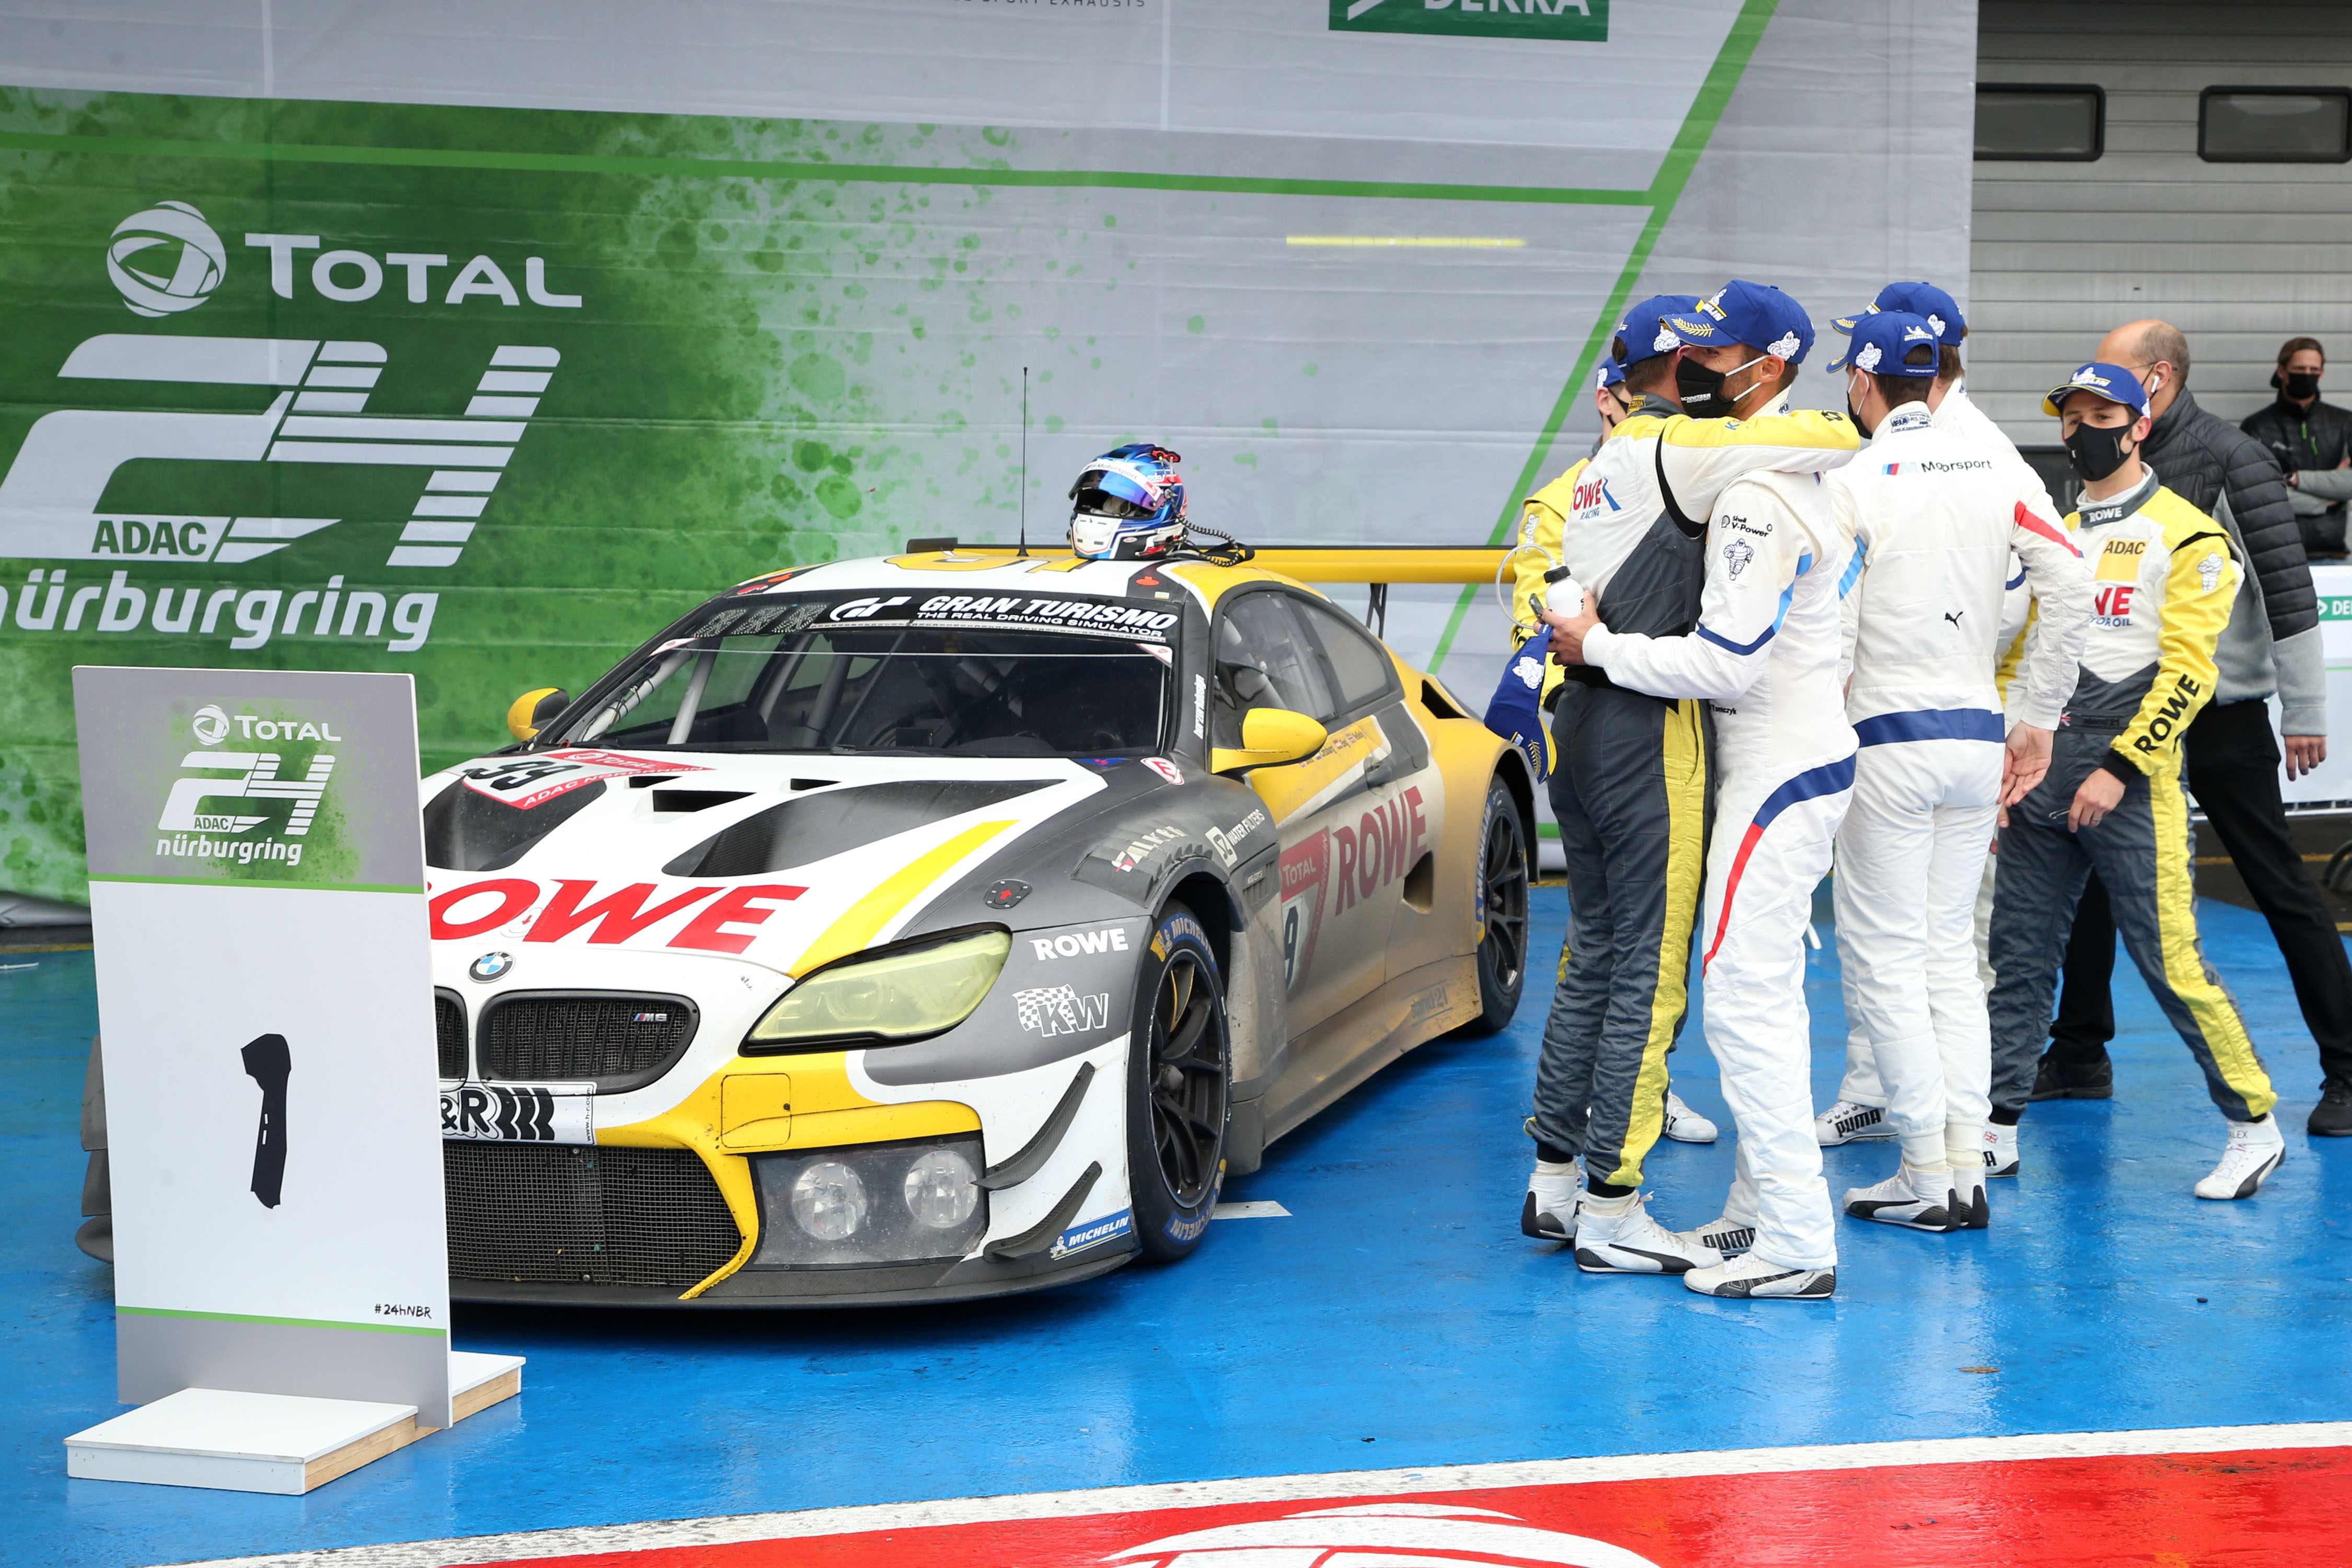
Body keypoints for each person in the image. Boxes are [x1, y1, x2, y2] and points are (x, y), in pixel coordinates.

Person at [1510, 292, 1860, 1277]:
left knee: (1591, 956)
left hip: (1584, 724)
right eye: (1694, 355)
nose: (1706, 370)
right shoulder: (1684, 451)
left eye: (1719, 353)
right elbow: (1842, 433)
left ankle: (1555, 1183)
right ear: (1671, 372)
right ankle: (1614, 1206)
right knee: (1650, 973)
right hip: (1650, 727)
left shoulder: (1591, 471)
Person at [2033, 321, 2348, 1139]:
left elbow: (2286, 584)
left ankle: (2348, 1068)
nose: (2089, 406)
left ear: (2159, 379)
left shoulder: (2231, 457)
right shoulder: (2096, 463)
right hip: (2116, 718)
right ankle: (2079, 1053)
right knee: (2088, 880)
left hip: (2218, 715)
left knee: (2276, 882)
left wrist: (2306, 710)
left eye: (2112, 379)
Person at [1820, 312, 2093, 1234]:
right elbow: (2071, 586)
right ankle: (1967, 1165)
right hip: (1979, 739)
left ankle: (1926, 1173)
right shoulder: (2000, 467)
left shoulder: (1853, 481)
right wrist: (2038, 720)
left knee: (1889, 960)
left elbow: (1831, 625)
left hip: (1885, 740)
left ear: (1863, 384)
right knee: (1947, 957)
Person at [1986, 363, 2286, 1199]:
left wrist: (2120, 768)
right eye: (2071, 416)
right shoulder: (2054, 531)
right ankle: (1996, 1129)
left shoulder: (2189, 536)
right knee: (2017, 959)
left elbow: (2190, 676)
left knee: (2171, 963)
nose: (2082, 430)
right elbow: (2022, 656)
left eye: (2102, 415)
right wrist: (2004, 750)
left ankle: (2254, 1125)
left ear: (2140, 425)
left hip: (2130, 780)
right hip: (2039, 771)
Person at [2242, 336, 2350, 560]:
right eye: (2300, 369)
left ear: (2322, 373)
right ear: (2282, 371)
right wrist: (2327, 499)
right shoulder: (2257, 427)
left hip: (2335, 554)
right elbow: (2257, 493)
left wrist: (2295, 480)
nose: (2307, 374)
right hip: (2278, 554)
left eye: (2314, 369)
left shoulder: (2345, 423)